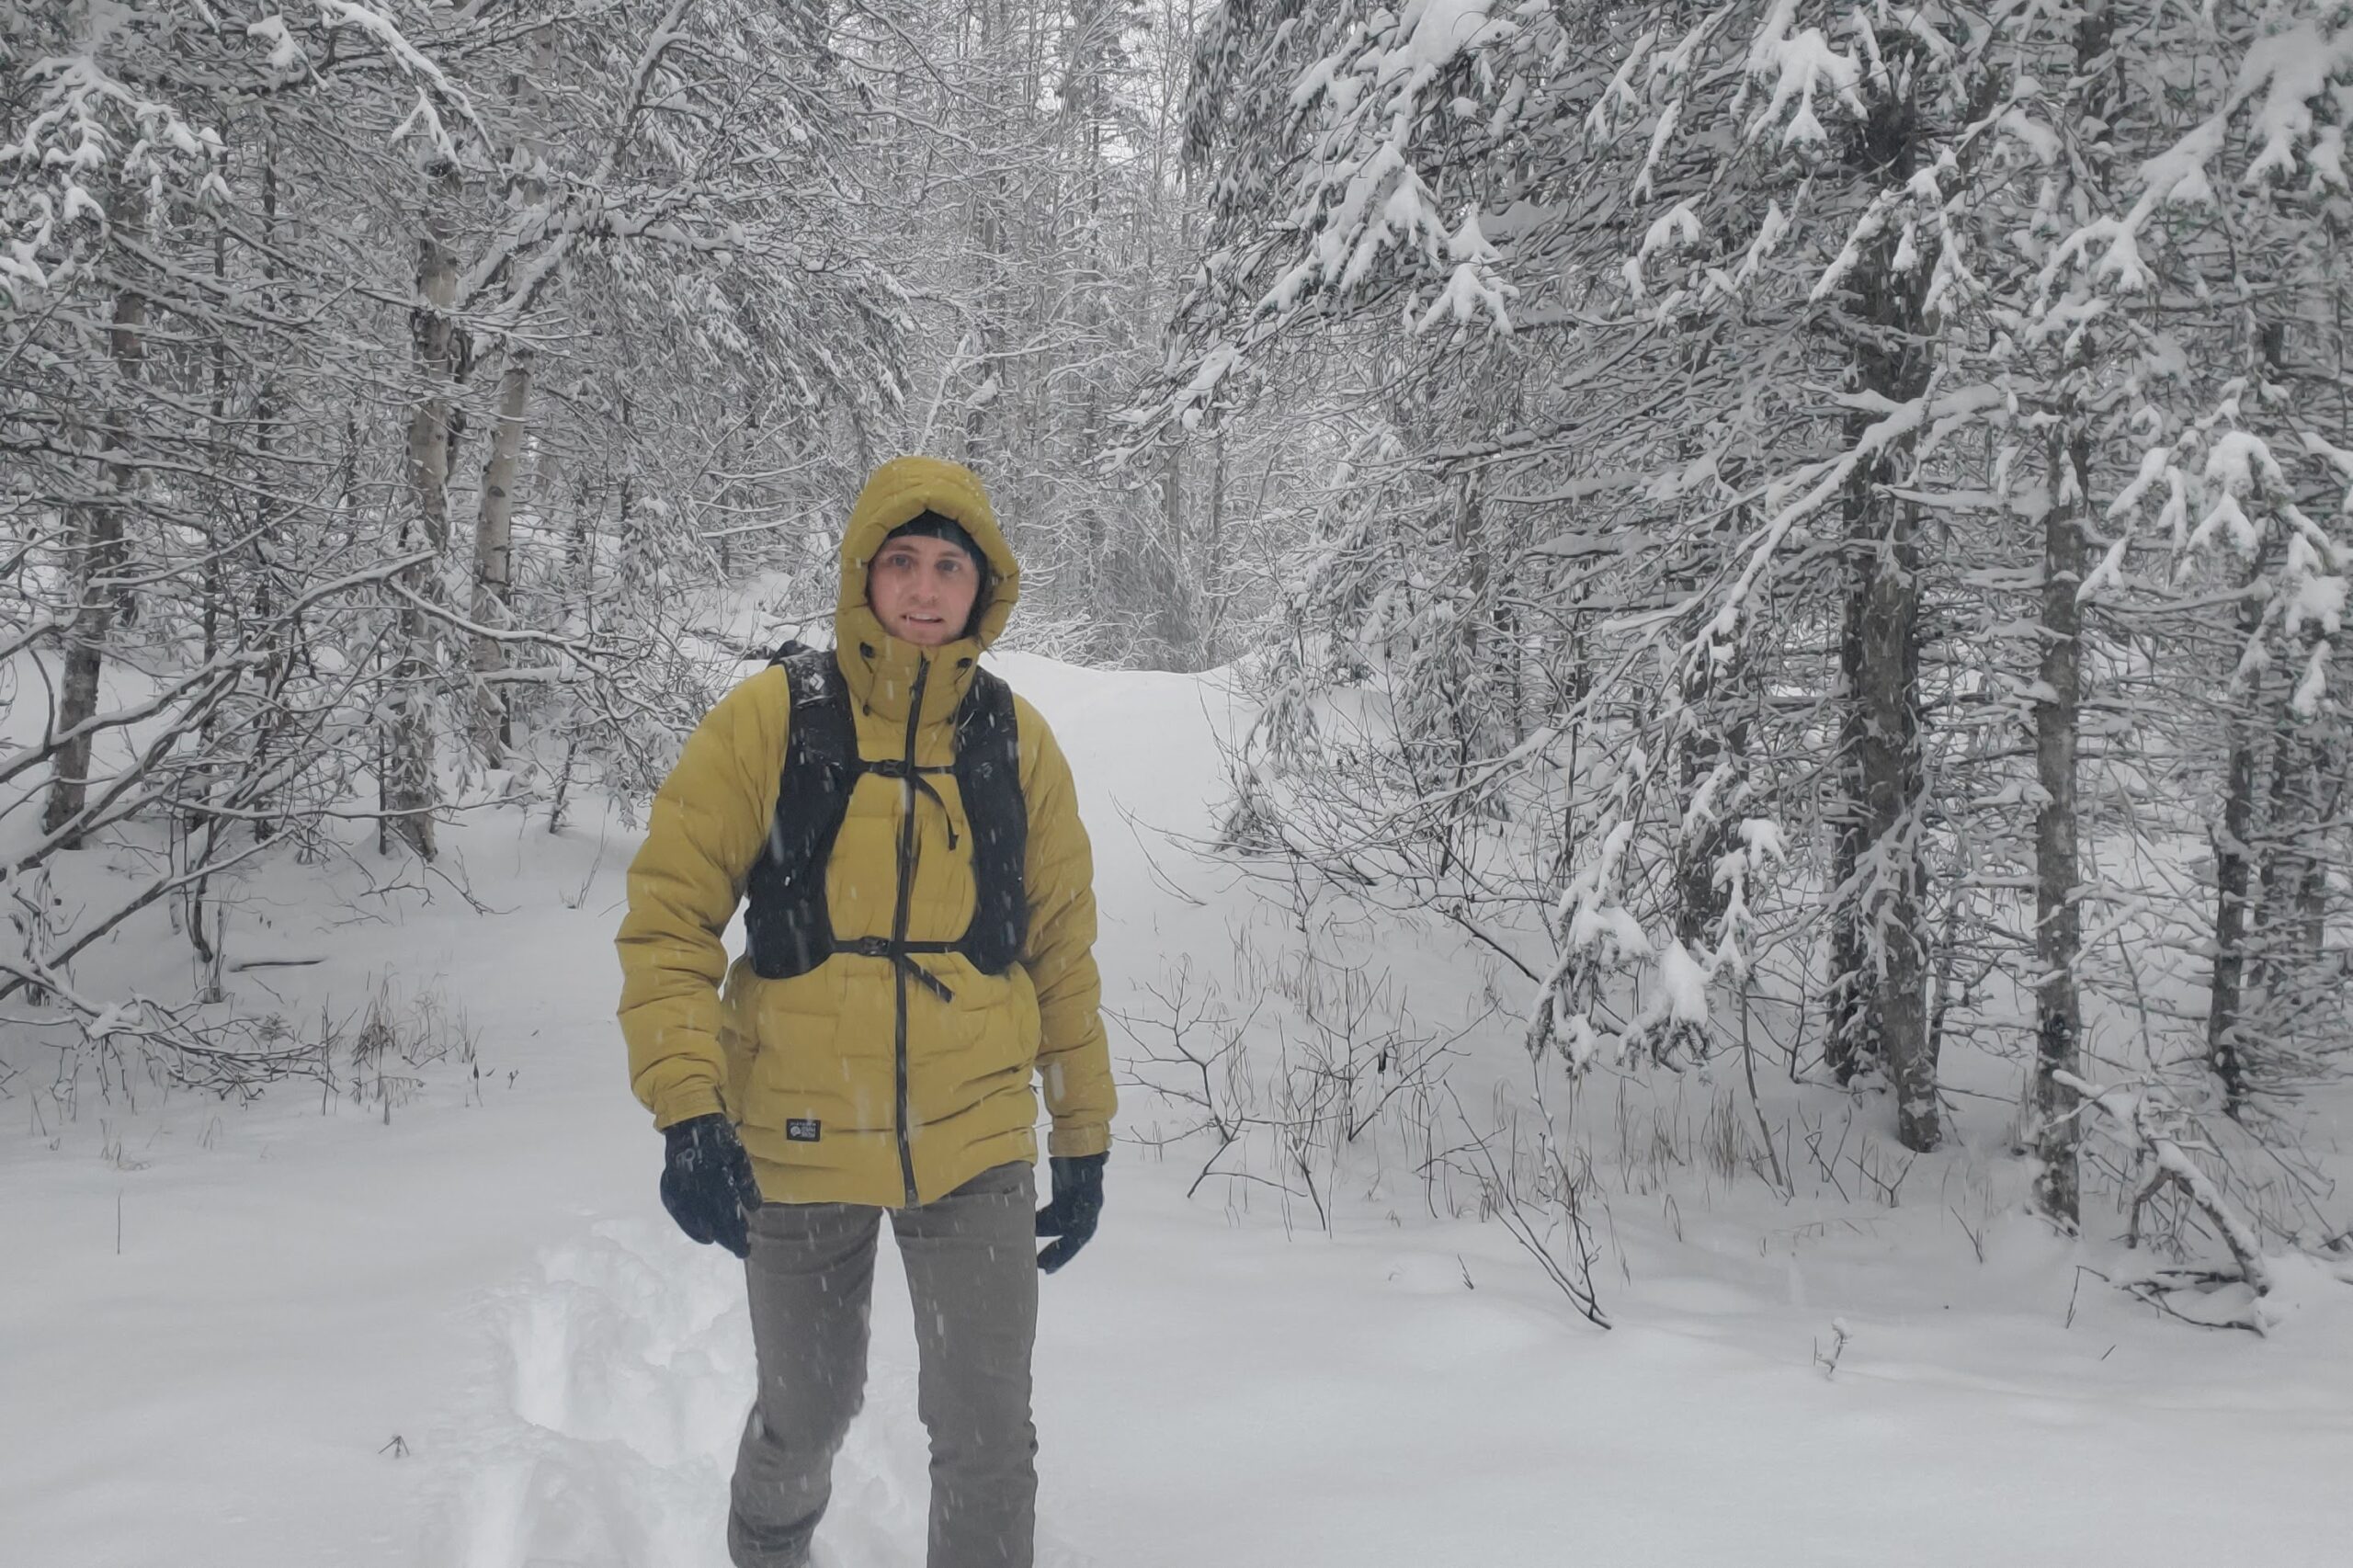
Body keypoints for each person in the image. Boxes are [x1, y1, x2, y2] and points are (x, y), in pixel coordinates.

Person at [616, 455, 1116, 1568]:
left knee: (987, 1432)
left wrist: (1081, 1132)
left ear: (984, 587)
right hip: (796, 1134)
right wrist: (688, 1112)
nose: (927, 590)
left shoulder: (1016, 742)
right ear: (864, 575)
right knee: (808, 1415)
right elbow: (668, 921)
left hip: (977, 1134)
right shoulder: (772, 719)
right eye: (903, 563)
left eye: (950, 566)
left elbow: (1063, 952)